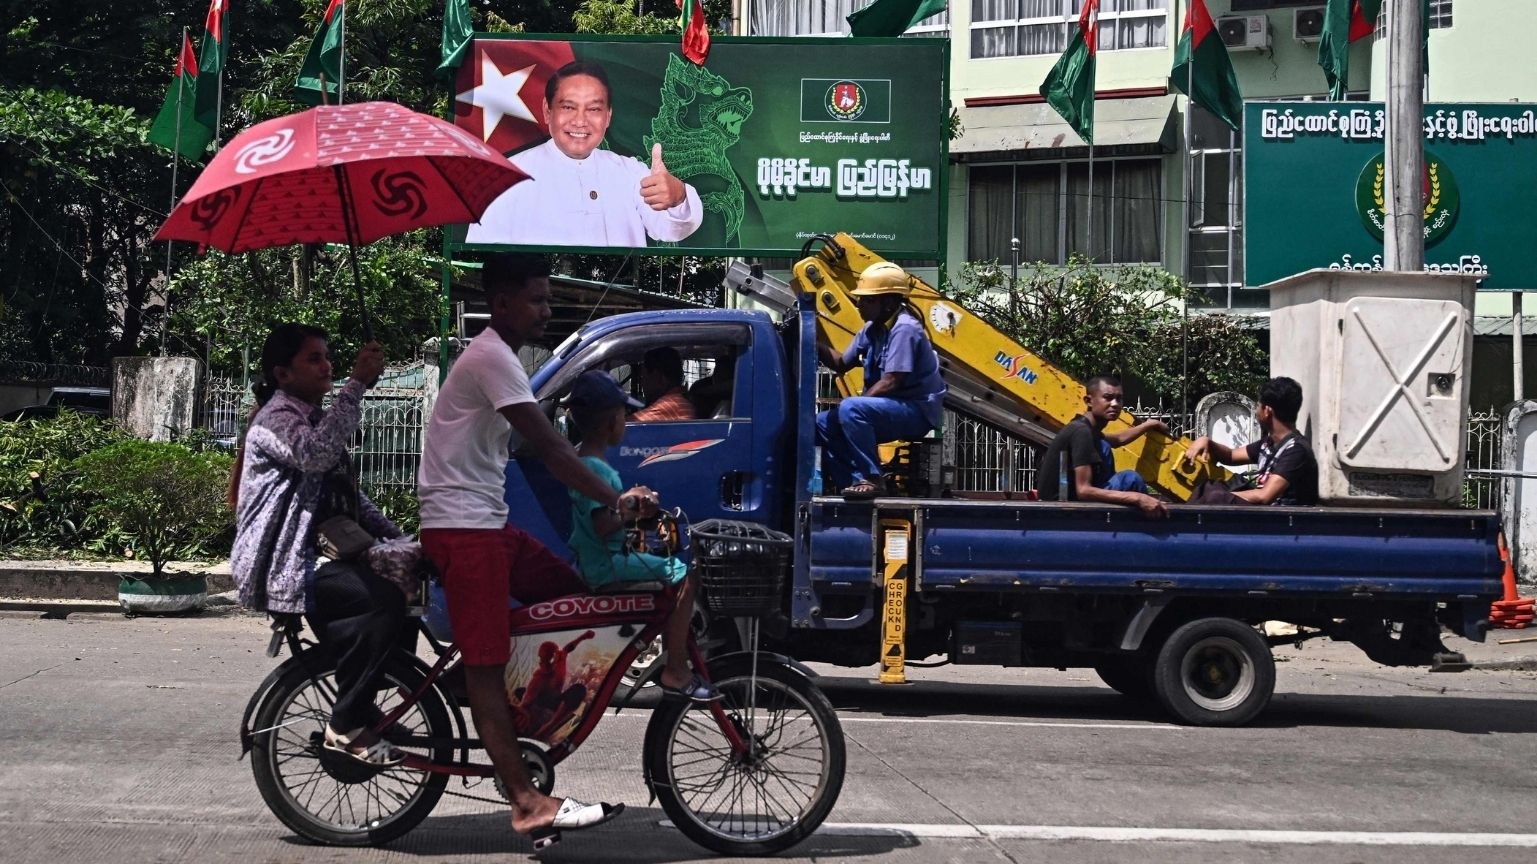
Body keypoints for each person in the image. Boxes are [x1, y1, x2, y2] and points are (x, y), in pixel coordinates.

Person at [417, 253, 651, 843]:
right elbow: (550, 448)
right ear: (501, 304)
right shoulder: (493, 358)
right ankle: (524, 800)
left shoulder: (506, 360)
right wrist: (614, 499)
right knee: (487, 666)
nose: (547, 310)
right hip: (464, 530)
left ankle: (509, 714)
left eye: (549, 299)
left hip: (486, 526)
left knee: (575, 597)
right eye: (538, 300)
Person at [231, 324, 408, 767]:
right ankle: (346, 724)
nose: (326, 365)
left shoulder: (309, 415)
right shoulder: (277, 418)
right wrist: (357, 383)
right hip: (286, 563)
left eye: (326, 355)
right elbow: (317, 455)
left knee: (409, 581)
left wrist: (400, 538)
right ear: (282, 373)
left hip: (319, 555)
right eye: (313, 358)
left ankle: (366, 701)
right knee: (380, 600)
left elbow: (349, 497)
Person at [564, 371, 720, 701]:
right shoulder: (596, 468)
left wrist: (635, 504)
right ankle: (676, 668)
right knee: (685, 577)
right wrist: (632, 506)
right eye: (624, 416)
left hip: (600, 559)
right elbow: (603, 525)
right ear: (610, 422)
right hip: (607, 565)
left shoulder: (584, 461)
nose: (627, 422)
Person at [465, 60, 704, 248]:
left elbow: (671, 230)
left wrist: (678, 195)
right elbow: (482, 255)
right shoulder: (506, 176)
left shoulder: (632, 174)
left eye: (594, 109)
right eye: (568, 107)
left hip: (620, 305)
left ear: (608, 116)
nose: (580, 121)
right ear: (548, 112)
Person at [815, 262, 947, 499]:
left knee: (851, 409)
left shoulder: (905, 329)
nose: (859, 305)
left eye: (867, 300)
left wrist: (855, 408)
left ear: (889, 303)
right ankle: (855, 484)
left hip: (915, 411)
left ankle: (873, 478)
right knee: (820, 424)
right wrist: (811, 340)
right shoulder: (871, 329)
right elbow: (841, 363)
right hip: (888, 408)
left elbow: (892, 381)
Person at [1034, 375, 1169, 519]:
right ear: (1089, 401)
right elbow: (1084, 490)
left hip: (1066, 504)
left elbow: (1119, 439)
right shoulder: (1081, 432)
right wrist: (1138, 498)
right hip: (1064, 513)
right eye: (1108, 398)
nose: (1115, 404)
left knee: (1104, 445)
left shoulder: (1086, 428)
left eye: (1119, 398)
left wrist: (1149, 424)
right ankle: (1149, 527)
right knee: (1131, 478)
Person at [1182, 376, 1319, 506]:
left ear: (1267, 411)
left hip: (1280, 521)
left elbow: (1265, 496)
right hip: (1264, 513)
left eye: (1258, 405)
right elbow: (1231, 456)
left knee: (1215, 496)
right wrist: (1207, 442)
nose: (1256, 410)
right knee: (1211, 487)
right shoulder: (1269, 443)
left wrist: (1223, 496)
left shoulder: (1296, 450)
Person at [632, 346, 696, 422]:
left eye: (643, 377)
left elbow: (621, 427)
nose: (641, 383)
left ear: (660, 377)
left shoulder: (671, 404)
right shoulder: (678, 400)